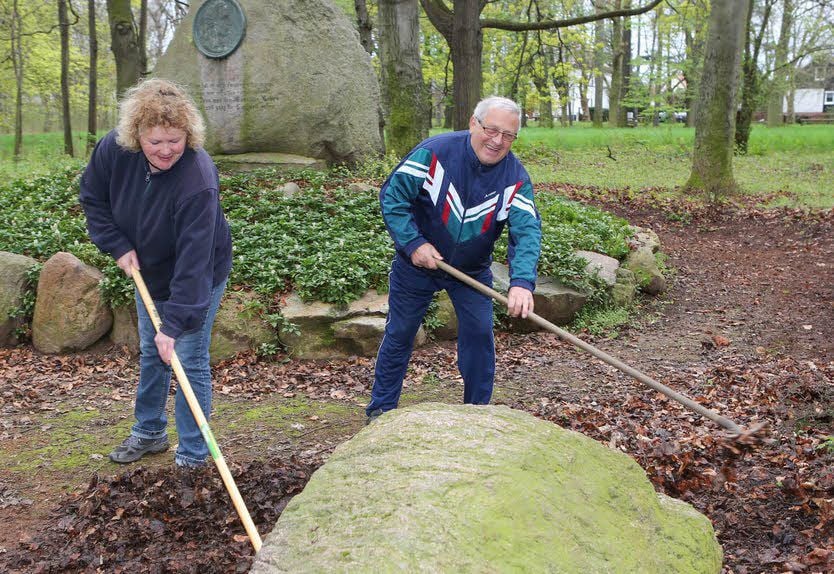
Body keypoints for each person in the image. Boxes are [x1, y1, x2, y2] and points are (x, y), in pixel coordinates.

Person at [79, 78, 232, 467]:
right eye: (155, 142)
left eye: (175, 141)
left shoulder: (197, 178)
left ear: (189, 134)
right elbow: (93, 198)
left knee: (187, 357)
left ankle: (194, 455)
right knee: (152, 351)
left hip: (197, 274)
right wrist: (117, 244)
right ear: (136, 136)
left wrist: (175, 322)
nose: (166, 151)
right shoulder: (114, 150)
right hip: (146, 268)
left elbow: (194, 262)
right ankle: (149, 433)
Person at [366, 96, 541, 422]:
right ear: (474, 123)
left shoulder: (516, 178)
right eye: (492, 129)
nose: (498, 141)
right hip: (416, 264)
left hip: (471, 272)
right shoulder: (434, 153)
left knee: (479, 337)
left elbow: (526, 232)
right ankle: (380, 409)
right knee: (400, 332)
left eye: (508, 135)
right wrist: (413, 243)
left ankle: (477, 414)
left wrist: (521, 283)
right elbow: (393, 197)